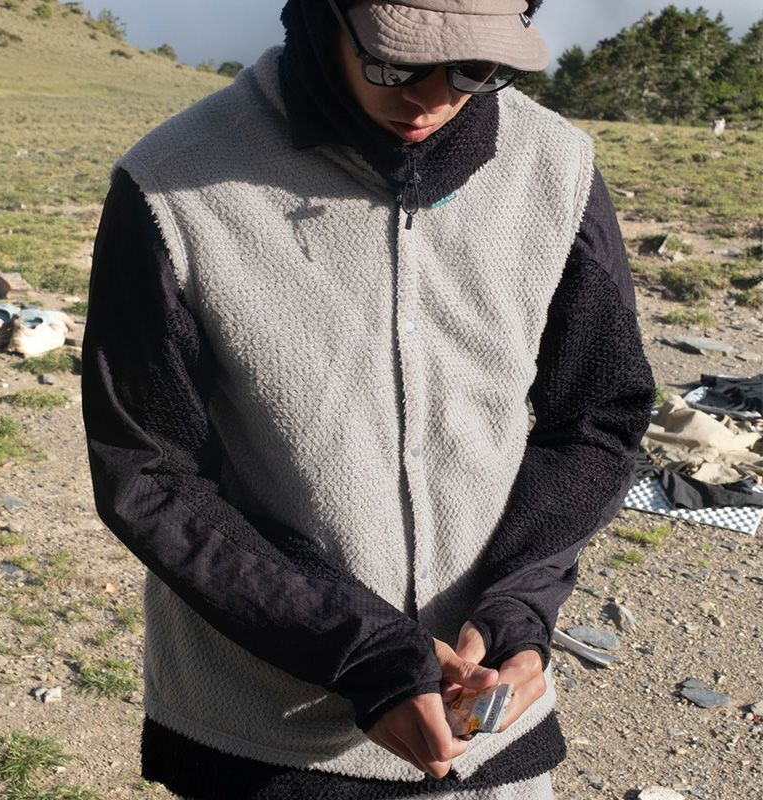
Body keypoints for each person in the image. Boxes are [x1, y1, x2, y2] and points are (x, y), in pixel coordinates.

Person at [81, 1, 655, 798]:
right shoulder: (169, 183)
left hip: (489, 728)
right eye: (397, 61)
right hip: (263, 735)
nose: (432, 97)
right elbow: (148, 473)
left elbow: (599, 420)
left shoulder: (557, 166)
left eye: (475, 68)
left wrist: (520, 608)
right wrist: (360, 650)